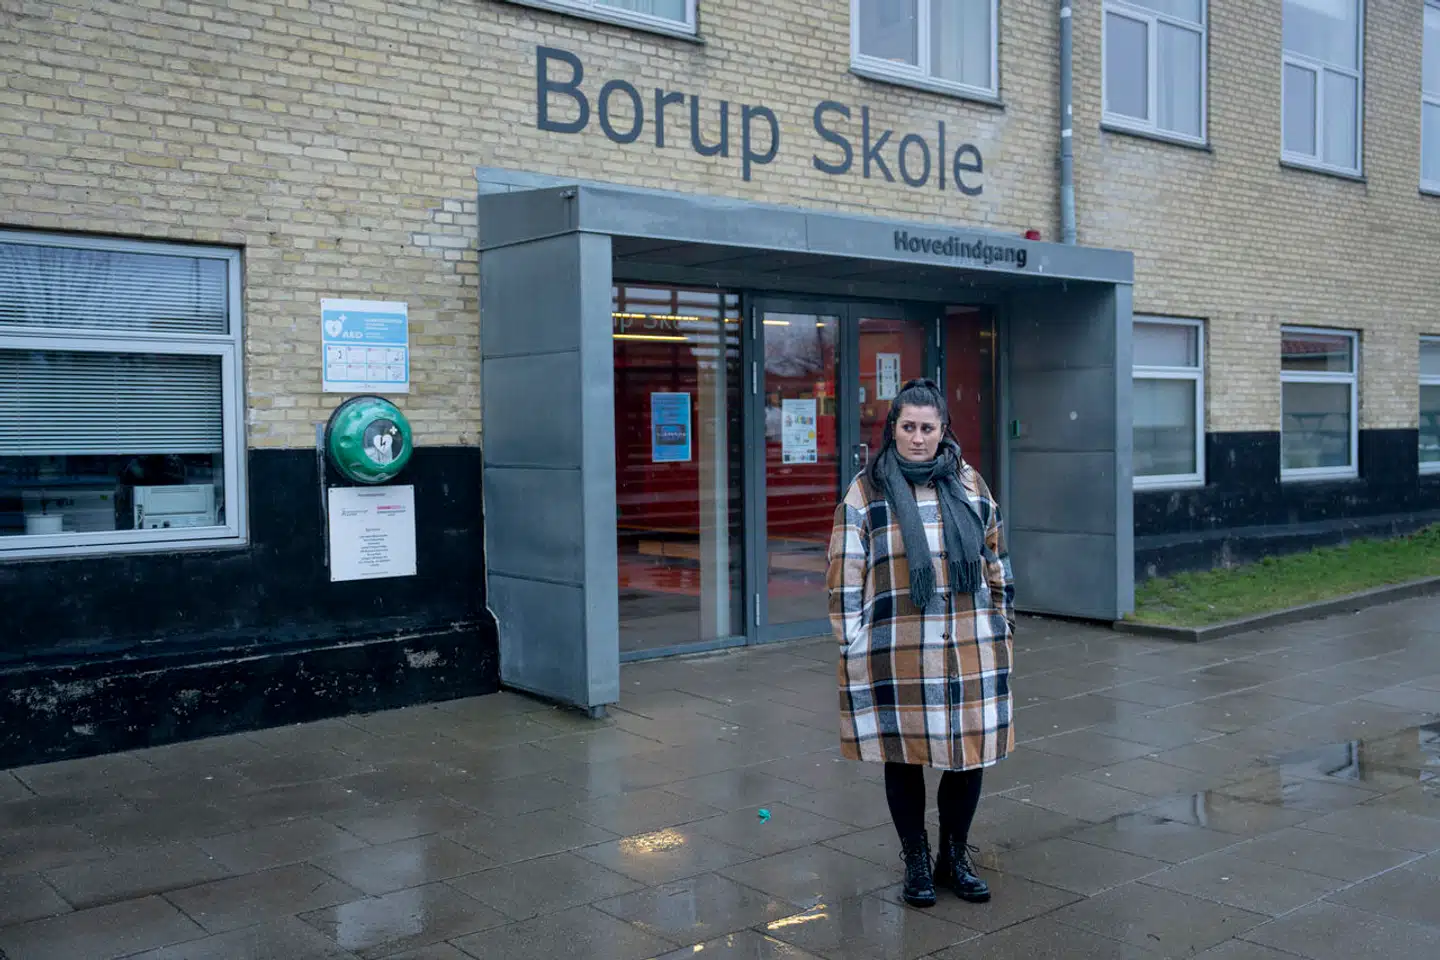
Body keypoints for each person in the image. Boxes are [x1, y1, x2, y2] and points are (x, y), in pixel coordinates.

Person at [826, 377, 1015, 909]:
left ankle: (954, 856)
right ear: (893, 428)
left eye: (927, 428)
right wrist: (852, 642)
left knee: (967, 755)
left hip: (970, 646)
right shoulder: (867, 491)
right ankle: (915, 859)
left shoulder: (970, 483)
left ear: (943, 430)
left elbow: (996, 558)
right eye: (907, 426)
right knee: (904, 757)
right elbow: (844, 574)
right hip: (899, 651)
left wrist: (1002, 623)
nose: (917, 438)